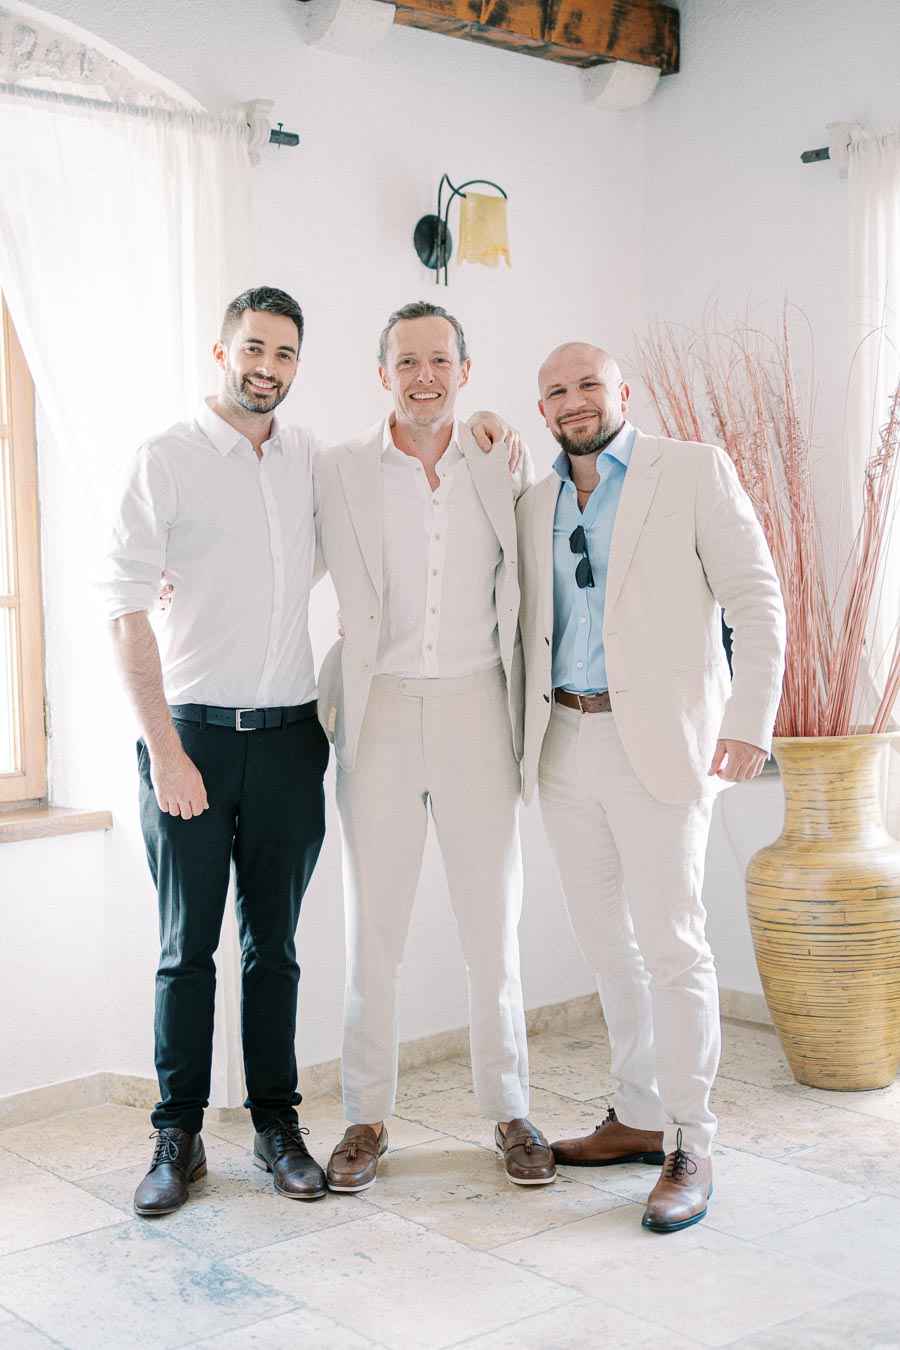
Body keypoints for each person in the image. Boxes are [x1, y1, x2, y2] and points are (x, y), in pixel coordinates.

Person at [98, 287, 515, 1217]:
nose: (268, 368)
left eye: (285, 354)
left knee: (274, 949)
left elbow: (414, 461)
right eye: (253, 348)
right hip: (191, 737)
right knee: (185, 951)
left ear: (298, 365)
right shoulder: (163, 460)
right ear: (220, 351)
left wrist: (482, 422)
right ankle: (178, 1135)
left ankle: (278, 1127)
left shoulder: (312, 463)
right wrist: (164, 748)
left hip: (292, 737)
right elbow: (124, 610)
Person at [516, 342, 785, 1232]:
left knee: (674, 945)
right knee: (606, 944)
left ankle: (691, 1141)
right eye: (556, 390)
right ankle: (635, 1113)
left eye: (589, 383)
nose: (574, 400)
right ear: (542, 408)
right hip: (562, 741)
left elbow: (756, 598)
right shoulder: (535, 501)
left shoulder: (693, 470)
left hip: (664, 747)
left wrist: (748, 723)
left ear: (622, 391)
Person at [314, 301, 557, 1192]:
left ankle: (510, 1110)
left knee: (493, 924)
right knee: (371, 927)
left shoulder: (499, 463)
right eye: (407, 361)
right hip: (378, 714)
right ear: (383, 374)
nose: (424, 375)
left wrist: (506, 436)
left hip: (475, 708)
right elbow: (279, 560)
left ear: (464, 371)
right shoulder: (337, 469)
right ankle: (365, 1119)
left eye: (440, 360)